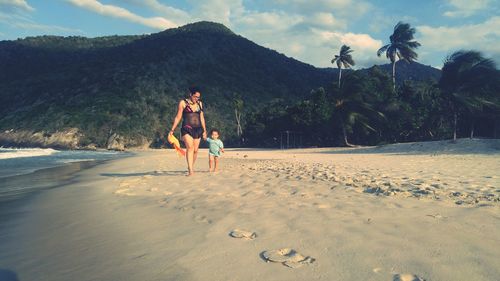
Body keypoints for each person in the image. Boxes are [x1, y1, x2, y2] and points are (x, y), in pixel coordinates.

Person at [169, 87, 207, 176]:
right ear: (190, 94)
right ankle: (191, 171)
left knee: (195, 150)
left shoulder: (200, 104)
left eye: (198, 97)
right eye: (195, 96)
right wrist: (172, 130)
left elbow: (202, 118)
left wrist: (204, 131)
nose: (196, 99)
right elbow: (178, 117)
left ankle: (191, 166)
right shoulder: (183, 103)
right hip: (187, 128)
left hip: (198, 129)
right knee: (190, 147)